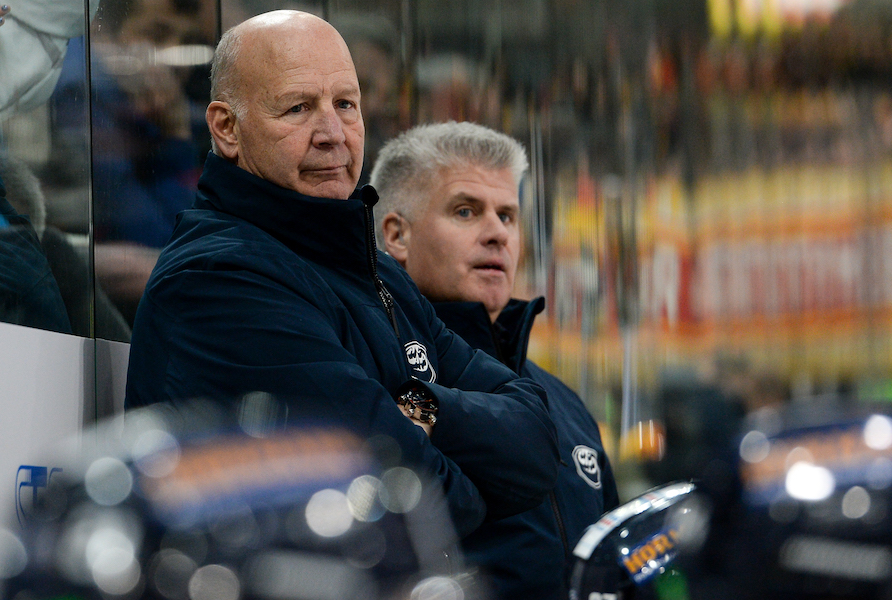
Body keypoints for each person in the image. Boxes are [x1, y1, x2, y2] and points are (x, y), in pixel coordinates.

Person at [124, 10, 560, 540]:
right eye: (298, 108)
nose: (333, 134)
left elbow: (539, 447)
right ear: (226, 128)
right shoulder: (218, 279)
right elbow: (413, 496)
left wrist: (421, 407)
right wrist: (471, 474)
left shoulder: (379, 274)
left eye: (346, 104)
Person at [371, 121, 620, 600]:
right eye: (466, 211)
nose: (497, 234)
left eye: (507, 215)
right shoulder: (380, 384)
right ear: (397, 235)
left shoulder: (564, 404)